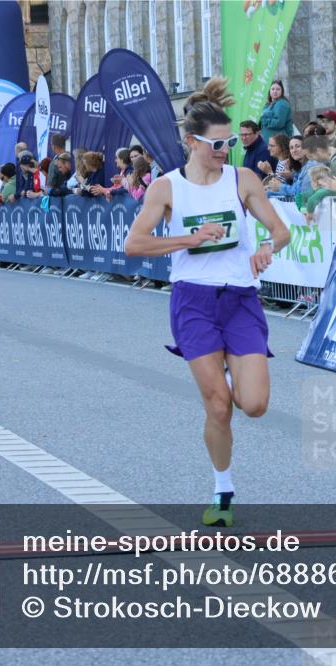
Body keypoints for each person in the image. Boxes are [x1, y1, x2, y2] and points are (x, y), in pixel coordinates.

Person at [124, 77, 291, 527]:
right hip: (193, 301)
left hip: (240, 299)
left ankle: (233, 371)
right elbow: (134, 245)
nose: (225, 151)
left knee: (253, 404)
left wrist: (267, 248)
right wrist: (190, 238)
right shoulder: (166, 188)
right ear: (191, 142)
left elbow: (281, 231)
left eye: (230, 142)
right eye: (217, 145)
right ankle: (222, 490)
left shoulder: (243, 179)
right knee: (218, 406)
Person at [270, 134, 329, 200]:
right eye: (291, 148)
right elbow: (295, 188)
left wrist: (280, 186)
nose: (294, 150)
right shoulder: (302, 167)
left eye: (298, 146)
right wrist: (290, 177)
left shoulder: (313, 166)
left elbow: (301, 193)